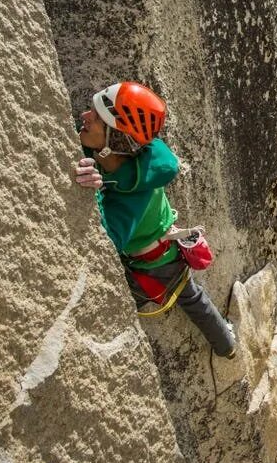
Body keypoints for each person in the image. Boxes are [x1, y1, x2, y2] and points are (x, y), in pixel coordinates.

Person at [72, 81, 237, 358]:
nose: (83, 117)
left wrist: (97, 192)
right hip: (163, 243)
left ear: (113, 142)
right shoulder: (143, 156)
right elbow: (163, 157)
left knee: (192, 298)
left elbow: (108, 240)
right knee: (193, 298)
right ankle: (227, 344)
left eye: (95, 118)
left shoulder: (131, 199)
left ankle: (227, 346)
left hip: (159, 263)